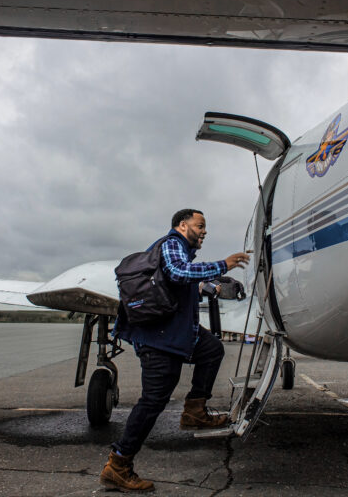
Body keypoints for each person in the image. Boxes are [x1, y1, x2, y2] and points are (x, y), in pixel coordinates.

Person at [100, 209, 250, 492]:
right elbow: (178, 272)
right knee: (153, 402)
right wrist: (223, 265)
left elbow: (184, 279)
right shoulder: (171, 244)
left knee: (212, 350)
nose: (204, 231)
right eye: (200, 225)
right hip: (159, 341)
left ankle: (194, 411)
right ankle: (117, 465)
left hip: (177, 337)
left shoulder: (180, 252)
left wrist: (214, 288)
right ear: (183, 226)